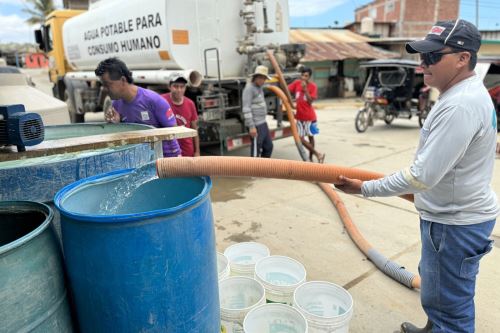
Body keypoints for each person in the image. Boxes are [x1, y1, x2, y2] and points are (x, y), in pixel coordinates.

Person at [336, 19, 498, 333]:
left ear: (463, 58)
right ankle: (432, 328)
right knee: (439, 292)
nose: (422, 64)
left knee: (451, 307)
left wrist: (364, 188)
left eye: (432, 57)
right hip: (452, 217)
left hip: (455, 224)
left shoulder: (460, 105)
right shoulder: (464, 92)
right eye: (421, 56)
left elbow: (421, 177)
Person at [95, 57, 181, 157]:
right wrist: (116, 124)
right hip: (141, 159)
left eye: (107, 84)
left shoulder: (154, 100)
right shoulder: (116, 104)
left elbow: (174, 132)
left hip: (167, 158)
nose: (104, 89)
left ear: (123, 80)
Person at [288, 67, 325, 163]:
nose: (304, 78)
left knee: (311, 137)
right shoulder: (296, 83)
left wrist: (305, 90)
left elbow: (310, 101)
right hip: (300, 117)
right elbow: (287, 90)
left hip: (310, 117)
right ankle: (318, 154)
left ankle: (312, 157)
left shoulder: (313, 86)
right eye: (302, 75)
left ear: (309, 77)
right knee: (300, 139)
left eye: (306, 76)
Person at [161, 73, 200, 157]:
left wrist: (197, 152)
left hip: (187, 151)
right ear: (169, 87)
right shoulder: (162, 101)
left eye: (182, 87)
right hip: (169, 152)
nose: (179, 90)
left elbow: (194, 129)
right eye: (176, 86)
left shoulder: (190, 104)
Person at [242, 65, 273, 158]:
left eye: (264, 78)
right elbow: (246, 108)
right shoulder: (249, 88)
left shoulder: (259, 87)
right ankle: (255, 171)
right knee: (256, 150)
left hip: (262, 122)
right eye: (260, 78)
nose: (262, 80)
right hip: (255, 124)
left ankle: (263, 169)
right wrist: (252, 127)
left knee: (268, 147)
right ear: (255, 77)